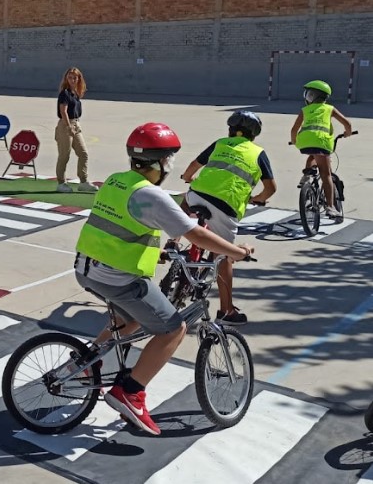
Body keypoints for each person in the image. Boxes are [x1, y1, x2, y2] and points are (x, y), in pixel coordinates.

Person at [75, 122, 254, 435]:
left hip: (86, 268)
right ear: (161, 162)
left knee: (130, 320)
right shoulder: (152, 196)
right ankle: (130, 392)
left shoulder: (117, 181)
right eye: (170, 159)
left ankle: (86, 362)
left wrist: (156, 250)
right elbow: (196, 234)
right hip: (118, 277)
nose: (170, 165)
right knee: (174, 329)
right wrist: (236, 252)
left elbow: (120, 224)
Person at [179, 110, 276, 325]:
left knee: (183, 206)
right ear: (253, 135)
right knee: (223, 256)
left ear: (231, 130)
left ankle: (173, 243)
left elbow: (193, 166)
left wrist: (188, 177)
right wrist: (257, 199)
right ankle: (226, 311)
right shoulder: (258, 153)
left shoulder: (220, 143)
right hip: (225, 206)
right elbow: (271, 188)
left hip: (197, 194)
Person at [290, 80, 353, 218]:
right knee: (326, 174)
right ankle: (330, 207)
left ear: (314, 96)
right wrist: (347, 133)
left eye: (309, 95)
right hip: (322, 143)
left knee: (313, 155)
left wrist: (295, 141)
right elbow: (347, 123)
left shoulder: (304, 110)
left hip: (304, 142)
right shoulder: (330, 109)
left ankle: (307, 175)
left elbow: (294, 129)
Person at [55, 67, 97, 193]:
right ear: (66, 79)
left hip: (76, 124)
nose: (72, 80)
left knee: (83, 153)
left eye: (74, 77)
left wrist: (74, 126)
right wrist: (68, 127)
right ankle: (61, 183)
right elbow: (63, 111)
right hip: (65, 125)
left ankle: (83, 182)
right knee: (64, 155)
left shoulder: (76, 93)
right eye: (70, 77)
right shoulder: (65, 93)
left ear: (79, 79)